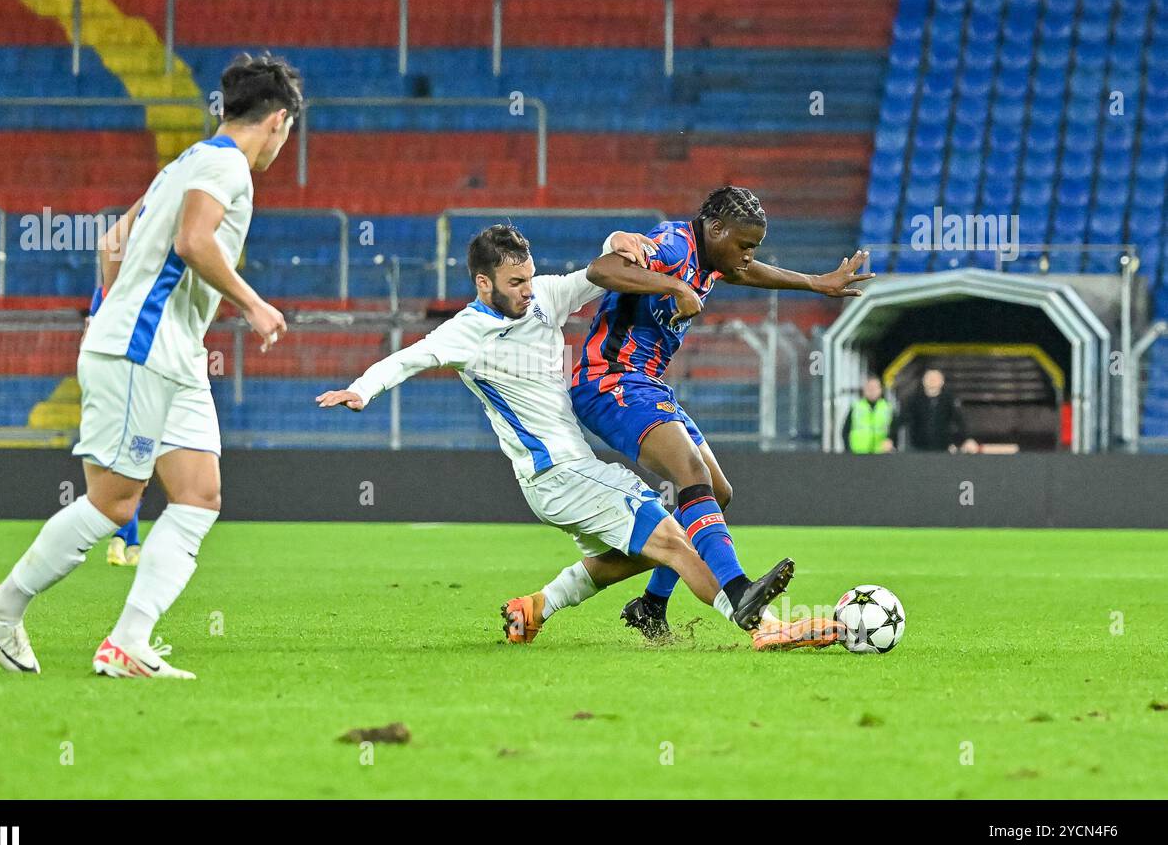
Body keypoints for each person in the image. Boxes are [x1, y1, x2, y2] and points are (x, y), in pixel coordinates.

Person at [316, 225, 835, 650]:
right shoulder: (464, 333)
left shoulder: (543, 297)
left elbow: (595, 274)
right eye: (515, 282)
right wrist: (362, 389)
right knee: (676, 541)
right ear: (482, 284)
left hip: (568, 474)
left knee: (643, 548)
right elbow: (410, 357)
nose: (527, 289)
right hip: (557, 473)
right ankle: (762, 627)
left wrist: (618, 240)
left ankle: (535, 608)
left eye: (529, 276)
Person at [0, 53, 300, 679]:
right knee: (116, 503)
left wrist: (108, 306)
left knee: (199, 496)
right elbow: (193, 242)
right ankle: (3, 605)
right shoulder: (227, 166)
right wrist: (254, 305)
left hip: (170, 354)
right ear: (279, 120)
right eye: (289, 133)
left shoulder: (186, 163)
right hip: (142, 349)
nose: (284, 145)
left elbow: (113, 241)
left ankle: (128, 641)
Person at [570, 185, 871, 639]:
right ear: (715, 229)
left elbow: (747, 274)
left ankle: (651, 604)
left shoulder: (711, 259)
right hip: (607, 379)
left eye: (755, 247)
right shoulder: (673, 247)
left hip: (647, 384)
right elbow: (602, 269)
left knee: (718, 491)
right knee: (691, 472)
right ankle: (738, 588)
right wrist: (672, 284)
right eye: (745, 245)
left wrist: (814, 283)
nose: (749, 256)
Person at [884, 368, 980, 453]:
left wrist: (968, 439)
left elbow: (960, 421)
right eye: (929, 378)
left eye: (936, 378)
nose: (932, 380)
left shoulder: (949, 400)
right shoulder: (913, 399)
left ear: (942, 381)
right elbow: (900, 419)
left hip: (943, 449)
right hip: (917, 449)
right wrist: (890, 438)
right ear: (923, 381)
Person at [842, 375, 893, 454]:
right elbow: (845, 431)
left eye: (875, 388)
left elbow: (895, 430)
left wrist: (890, 442)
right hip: (858, 454)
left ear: (880, 390)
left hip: (881, 454)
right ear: (864, 390)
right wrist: (848, 450)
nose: (872, 391)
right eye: (869, 388)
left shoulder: (888, 408)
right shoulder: (856, 407)